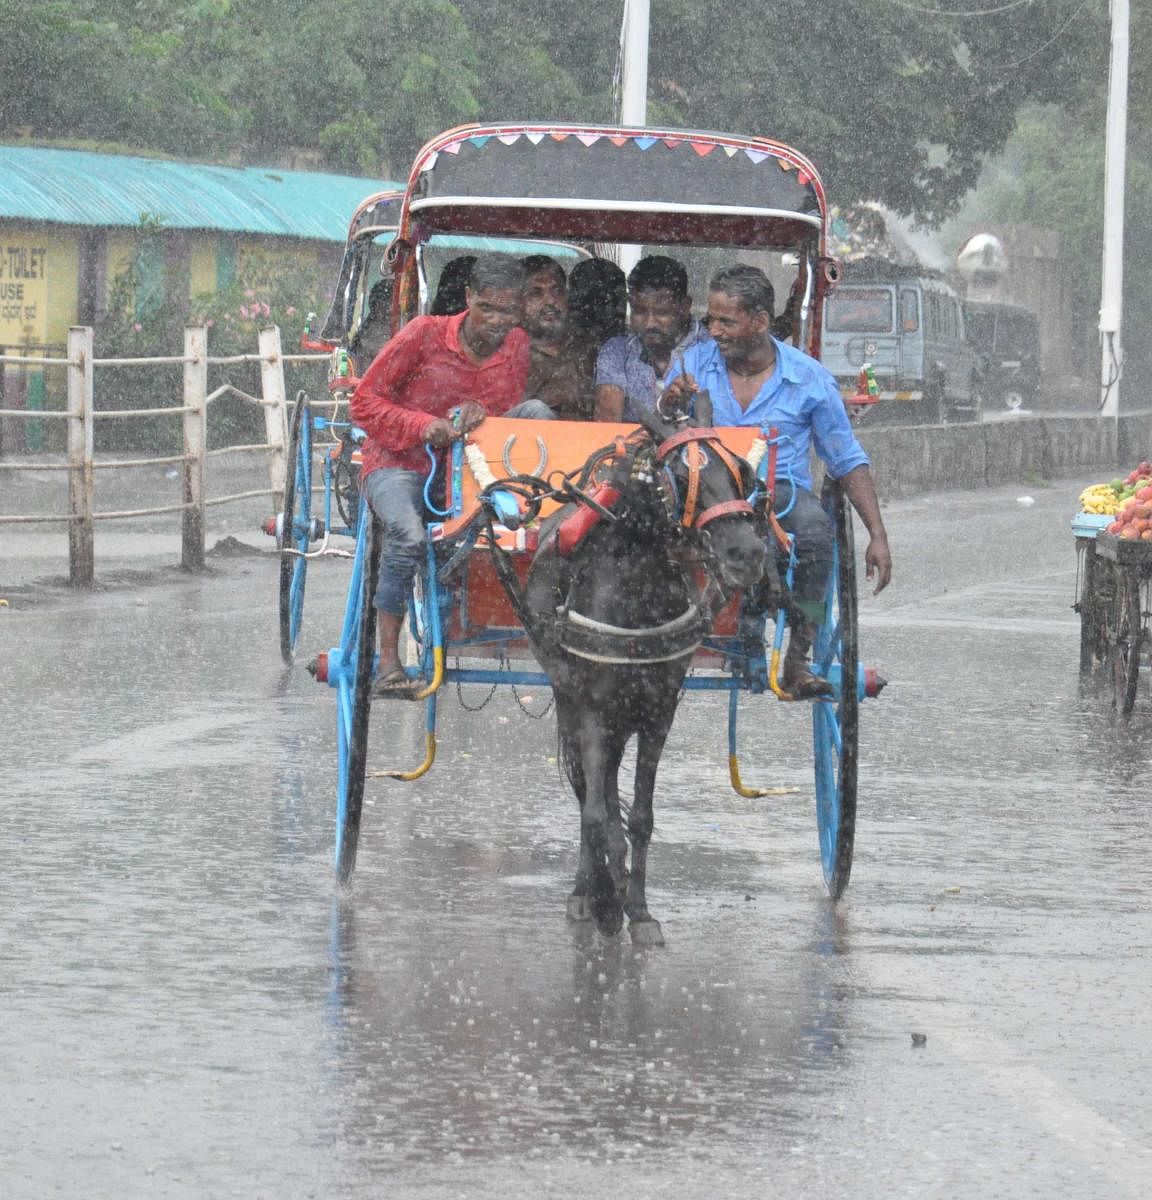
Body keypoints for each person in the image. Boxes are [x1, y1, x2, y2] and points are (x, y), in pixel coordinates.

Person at [664, 263, 892, 698]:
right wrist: (670, 399)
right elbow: (662, 423)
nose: (713, 331)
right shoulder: (692, 364)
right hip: (707, 492)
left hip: (779, 495)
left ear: (760, 322)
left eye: (725, 321)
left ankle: (797, 655)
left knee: (813, 532)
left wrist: (877, 535)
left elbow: (846, 459)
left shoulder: (809, 379)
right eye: (710, 319)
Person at [350, 255, 554, 698]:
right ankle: (387, 661)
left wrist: (482, 416)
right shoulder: (423, 334)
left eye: (507, 311)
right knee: (406, 537)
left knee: (537, 414)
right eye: (488, 309)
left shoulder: (517, 346)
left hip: (471, 469)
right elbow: (364, 403)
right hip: (400, 463)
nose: (497, 322)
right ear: (468, 300)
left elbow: (501, 416)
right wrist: (422, 425)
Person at [593, 255, 710, 422]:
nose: (649, 324)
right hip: (629, 448)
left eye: (661, 312)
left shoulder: (712, 349)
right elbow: (607, 426)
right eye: (639, 311)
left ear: (685, 307)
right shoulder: (617, 351)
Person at [520, 254, 592, 419]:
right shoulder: (505, 352)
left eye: (557, 291)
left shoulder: (589, 348)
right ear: (517, 301)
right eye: (536, 293)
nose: (550, 301)